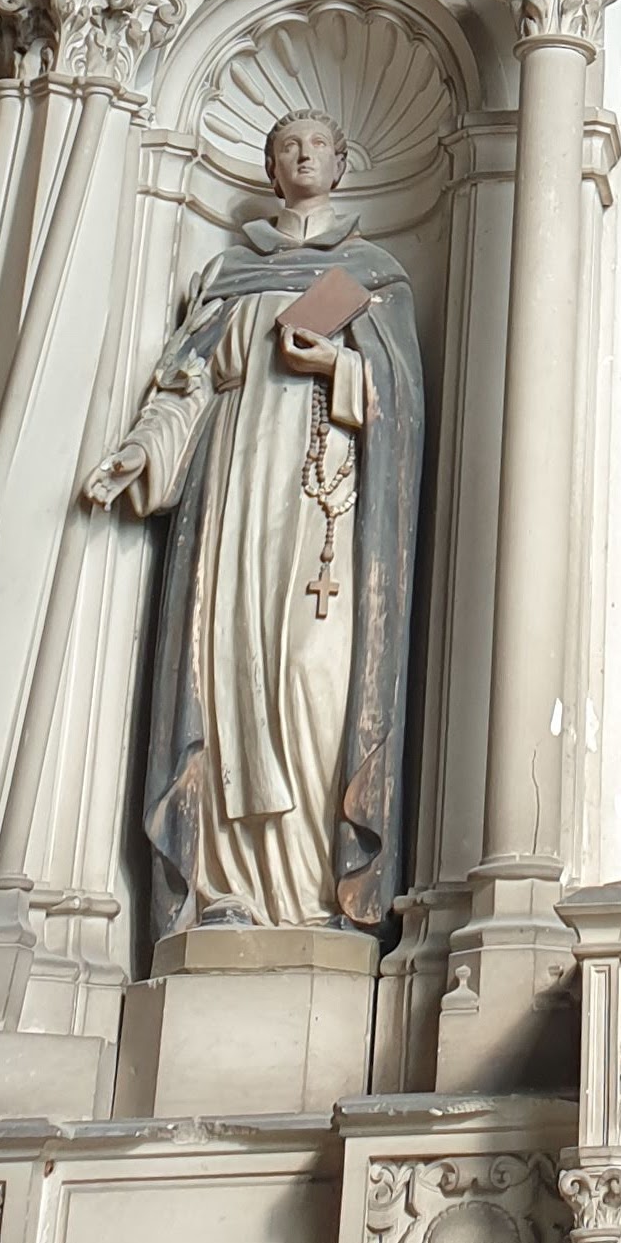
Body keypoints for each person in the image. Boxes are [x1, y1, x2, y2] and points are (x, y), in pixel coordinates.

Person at [84, 106, 423, 939]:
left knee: (314, 675)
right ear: (270, 169)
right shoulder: (228, 274)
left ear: (341, 164)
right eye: (286, 147)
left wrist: (339, 364)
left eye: (317, 144)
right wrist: (143, 451)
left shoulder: (372, 274)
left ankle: (316, 892)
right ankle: (224, 887)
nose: (302, 155)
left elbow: (406, 405)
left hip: (325, 509)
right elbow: (186, 383)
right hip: (232, 498)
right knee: (228, 674)